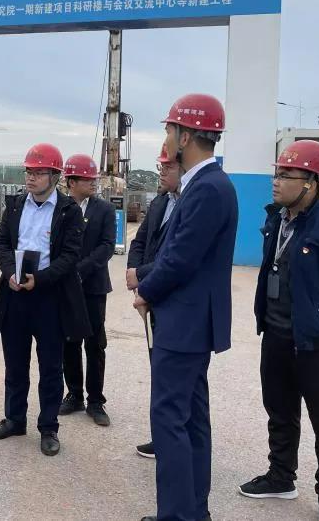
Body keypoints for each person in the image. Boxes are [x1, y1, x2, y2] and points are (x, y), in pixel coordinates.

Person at [238, 140, 319, 521]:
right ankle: (281, 476)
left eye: (286, 175)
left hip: (316, 344)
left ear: (311, 183)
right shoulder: (276, 221)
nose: (276, 181)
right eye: (276, 174)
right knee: (280, 412)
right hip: (276, 336)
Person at [126, 94, 237, 521]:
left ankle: (177, 515)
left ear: (186, 136)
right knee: (190, 419)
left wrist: (146, 291)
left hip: (184, 322)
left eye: (170, 130)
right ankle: (193, 511)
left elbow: (180, 259)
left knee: (170, 420)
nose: (167, 138)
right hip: (189, 321)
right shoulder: (206, 185)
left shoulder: (207, 188)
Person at [0, 143, 91, 457]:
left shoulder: (69, 211)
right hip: (15, 294)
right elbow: (1, 242)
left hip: (50, 298)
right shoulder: (16, 205)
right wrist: (9, 272)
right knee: (15, 364)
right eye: (28, 171)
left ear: (55, 176)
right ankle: (14, 419)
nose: (31, 177)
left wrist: (40, 279)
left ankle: (48, 428)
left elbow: (70, 256)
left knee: (50, 368)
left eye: (39, 172)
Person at [127, 143, 180, 460]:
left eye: (167, 167)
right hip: (149, 297)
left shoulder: (190, 206)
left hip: (169, 299)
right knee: (157, 369)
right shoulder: (161, 201)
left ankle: (172, 439)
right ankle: (161, 435)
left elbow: (173, 258)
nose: (161, 173)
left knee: (173, 377)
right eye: (160, 167)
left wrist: (141, 276)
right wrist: (134, 275)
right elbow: (140, 241)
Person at [58, 153, 116, 427]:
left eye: (94, 178)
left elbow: (107, 246)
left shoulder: (104, 210)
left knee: (95, 343)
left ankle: (95, 400)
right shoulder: (61, 208)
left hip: (93, 286)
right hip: (65, 286)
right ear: (71, 181)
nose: (93, 182)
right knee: (69, 341)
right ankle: (74, 394)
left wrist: (80, 270)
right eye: (86, 178)